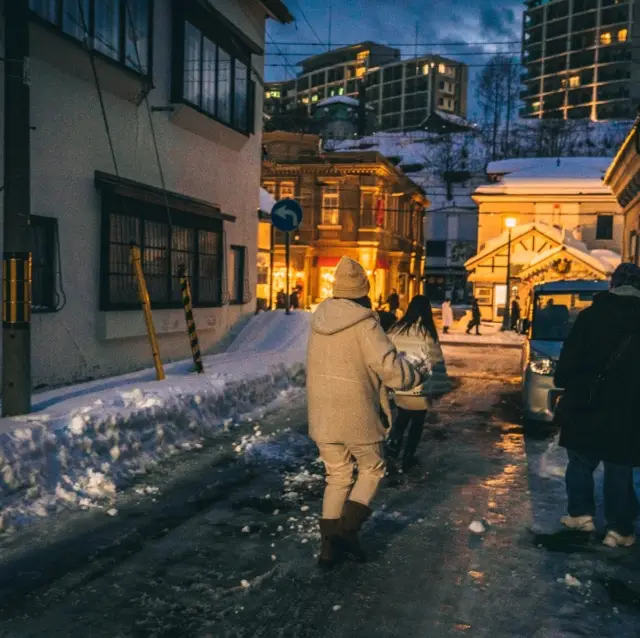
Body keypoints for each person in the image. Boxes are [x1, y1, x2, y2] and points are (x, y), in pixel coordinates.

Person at [307, 256, 423, 568]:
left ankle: (328, 548)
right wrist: (415, 373)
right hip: (357, 414)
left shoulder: (319, 321)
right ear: (363, 290)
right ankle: (347, 531)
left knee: (338, 474)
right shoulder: (365, 324)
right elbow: (392, 371)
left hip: (322, 414)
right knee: (372, 468)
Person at [553, 263, 640, 548]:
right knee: (620, 467)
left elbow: (568, 363)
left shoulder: (590, 317)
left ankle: (581, 514)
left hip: (586, 404)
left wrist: (565, 381)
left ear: (612, 285)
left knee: (580, 461)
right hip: (628, 410)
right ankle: (619, 529)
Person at [386, 295, 448, 471]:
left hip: (399, 383)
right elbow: (436, 359)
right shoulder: (426, 332)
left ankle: (394, 448)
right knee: (417, 422)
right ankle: (408, 457)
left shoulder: (396, 329)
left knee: (401, 417)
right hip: (419, 387)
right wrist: (440, 382)